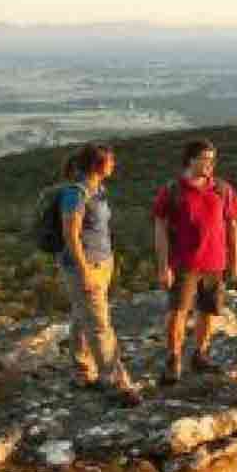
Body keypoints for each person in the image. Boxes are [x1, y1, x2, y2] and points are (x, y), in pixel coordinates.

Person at [152, 138, 237, 385]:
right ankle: (173, 360)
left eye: (212, 159)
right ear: (190, 160)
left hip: (215, 262)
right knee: (177, 312)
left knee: (208, 311)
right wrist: (163, 266)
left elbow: (232, 224)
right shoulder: (172, 190)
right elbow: (159, 227)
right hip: (183, 263)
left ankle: (200, 355)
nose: (209, 164)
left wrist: (235, 259)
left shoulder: (222, 190)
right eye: (204, 158)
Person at [54, 142, 142, 405]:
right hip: (84, 266)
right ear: (98, 164)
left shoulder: (99, 190)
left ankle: (81, 372)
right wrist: (84, 271)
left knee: (83, 318)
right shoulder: (76, 194)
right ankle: (117, 383)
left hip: (102, 262)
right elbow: (70, 234)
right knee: (100, 325)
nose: (114, 165)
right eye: (111, 161)